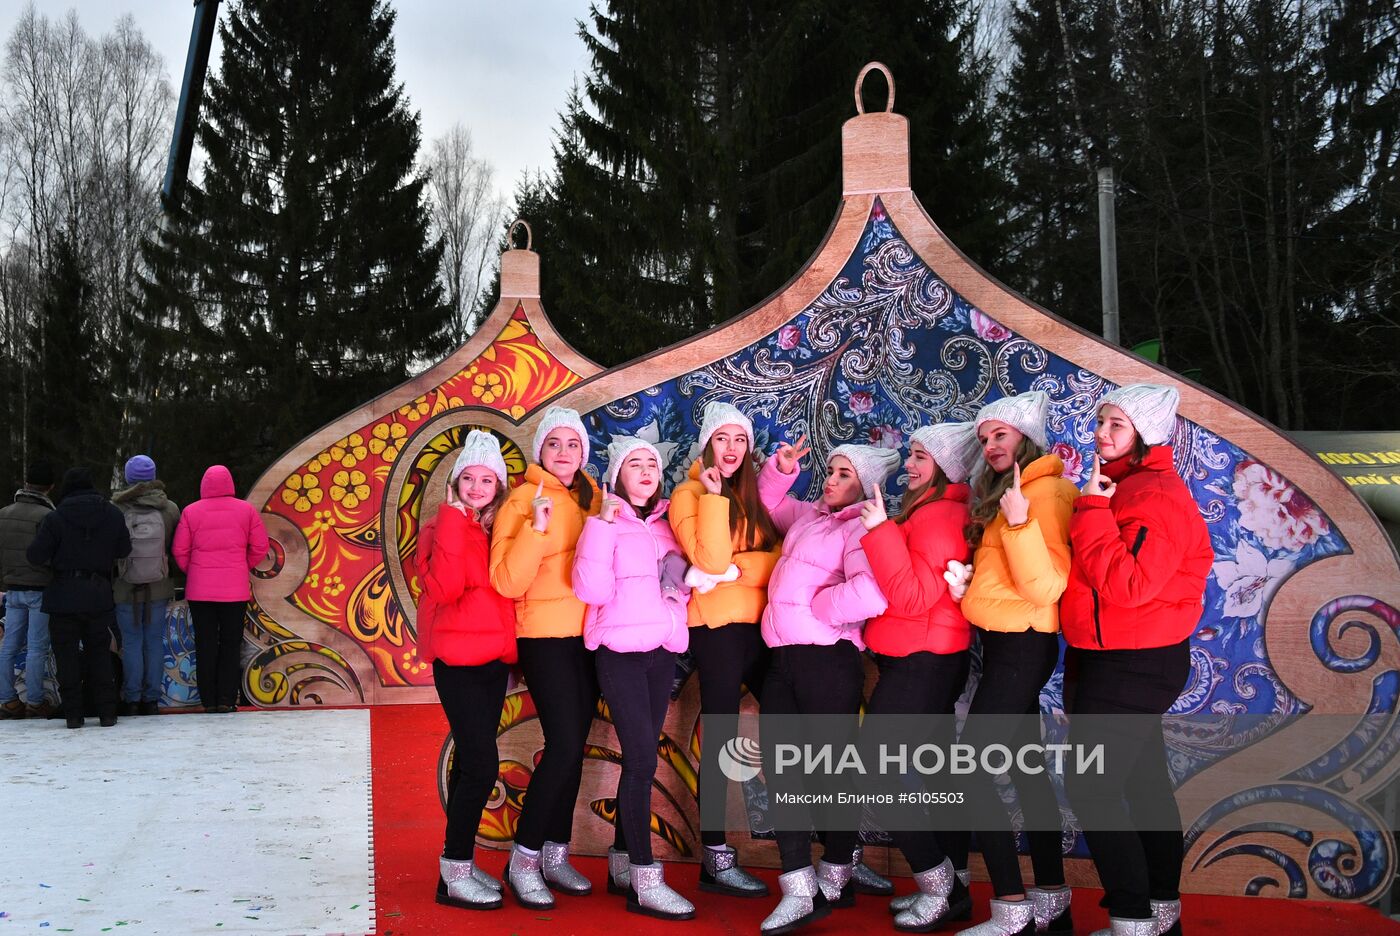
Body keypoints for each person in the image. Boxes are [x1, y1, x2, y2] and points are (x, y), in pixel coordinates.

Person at [1060, 385, 1210, 936]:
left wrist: (1092, 509)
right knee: (1143, 785)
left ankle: (1132, 919)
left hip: (1134, 662)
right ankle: (1160, 912)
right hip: (1119, 657)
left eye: (1116, 425)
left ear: (1145, 437)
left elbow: (1128, 584)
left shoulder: (1153, 496)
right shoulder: (1127, 486)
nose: (1101, 433)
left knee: (1092, 787)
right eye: (1101, 421)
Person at [756, 441, 895, 935]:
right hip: (783, 660)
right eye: (831, 471)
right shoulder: (809, 518)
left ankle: (837, 870)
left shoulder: (862, 527)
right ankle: (798, 886)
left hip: (828, 663)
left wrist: (820, 611)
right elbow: (768, 503)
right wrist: (781, 470)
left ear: (864, 486)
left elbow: (874, 592)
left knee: (828, 775)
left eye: (843, 474)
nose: (831, 480)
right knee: (782, 772)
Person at [955, 390, 1079, 936]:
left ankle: (1011, 909)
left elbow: (1047, 584)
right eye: (984, 438)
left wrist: (1023, 522)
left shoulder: (1045, 493)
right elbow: (1008, 579)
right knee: (1027, 774)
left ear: (1026, 436)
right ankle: (1052, 899)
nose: (990, 445)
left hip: (1023, 644)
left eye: (1000, 435)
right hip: (1009, 644)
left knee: (972, 768)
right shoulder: (1014, 491)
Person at [858, 422, 982, 931]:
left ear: (946, 468)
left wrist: (879, 530)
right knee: (935, 778)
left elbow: (911, 598)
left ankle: (938, 884)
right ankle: (954, 886)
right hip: (926, 658)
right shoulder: (933, 511)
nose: (908, 464)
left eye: (920, 458)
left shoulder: (938, 519)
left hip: (922, 660)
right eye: (910, 454)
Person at [574, 436, 695, 920]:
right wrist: (602, 526)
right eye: (634, 464)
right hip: (620, 657)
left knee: (642, 760)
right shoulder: (603, 525)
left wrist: (677, 592)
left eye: (651, 464)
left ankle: (621, 865)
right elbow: (591, 587)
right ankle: (646, 879)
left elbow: (677, 589)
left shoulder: (666, 528)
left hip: (659, 656)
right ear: (618, 476)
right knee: (643, 762)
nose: (645, 470)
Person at [489, 406, 601, 909]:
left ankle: (555, 854)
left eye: (572, 444)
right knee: (561, 745)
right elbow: (506, 581)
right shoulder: (521, 499)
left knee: (575, 746)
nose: (563, 453)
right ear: (539, 451)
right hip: (543, 636)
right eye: (554, 444)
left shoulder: (593, 497)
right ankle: (524, 856)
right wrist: (536, 528)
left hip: (590, 636)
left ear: (583, 452)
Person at [667, 401, 779, 898]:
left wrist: (737, 571)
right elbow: (709, 558)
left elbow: (775, 561)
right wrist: (713, 500)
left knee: (793, 719)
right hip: (715, 632)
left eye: (739, 440)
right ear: (707, 444)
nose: (731, 449)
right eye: (722, 439)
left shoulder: (751, 496)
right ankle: (715, 858)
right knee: (721, 742)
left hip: (758, 629)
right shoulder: (689, 494)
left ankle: (832, 852)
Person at [417, 430, 517, 912]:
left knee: (468, 764)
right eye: (469, 478)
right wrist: (454, 519)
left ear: (498, 486)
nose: (477, 487)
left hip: (492, 662)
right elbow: (446, 589)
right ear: (455, 483)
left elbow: (505, 596)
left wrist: (511, 655)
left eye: (487, 479)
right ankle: (454, 870)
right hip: (456, 662)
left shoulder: (493, 529)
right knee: (481, 764)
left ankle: (454, 866)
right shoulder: (443, 527)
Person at [27, 467, 131, 728]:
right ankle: (107, 712)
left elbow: (35, 555)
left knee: (66, 656)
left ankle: (74, 714)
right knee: (100, 654)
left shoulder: (55, 517)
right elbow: (124, 549)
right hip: (98, 593)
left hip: (63, 594)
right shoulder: (112, 513)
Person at [172, 465, 269, 714]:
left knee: (205, 643)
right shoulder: (245, 510)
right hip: (234, 590)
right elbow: (260, 547)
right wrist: (240, 566)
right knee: (230, 643)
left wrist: (194, 571)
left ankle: (209, 700)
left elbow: (179, 551)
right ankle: (227, 698)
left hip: (199, 591)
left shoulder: (191, 511)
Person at [111, 455, 181, 716]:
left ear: (128, 478)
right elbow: (175, 546)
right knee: (153, 641)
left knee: (130, 642)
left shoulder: (117, 509)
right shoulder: (169, 509)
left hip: (124, 586)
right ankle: (151, 699)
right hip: (159, 585)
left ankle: (131, 698)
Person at [0, 459, 57, 718]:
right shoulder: (48, 516)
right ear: (50, 487)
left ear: (26, 484)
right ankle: (35, 701)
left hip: (12, 587)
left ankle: (8, 700)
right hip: (39, 588)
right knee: (36, 647)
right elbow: (50, 555)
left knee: (8, 646)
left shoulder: (4, 513)